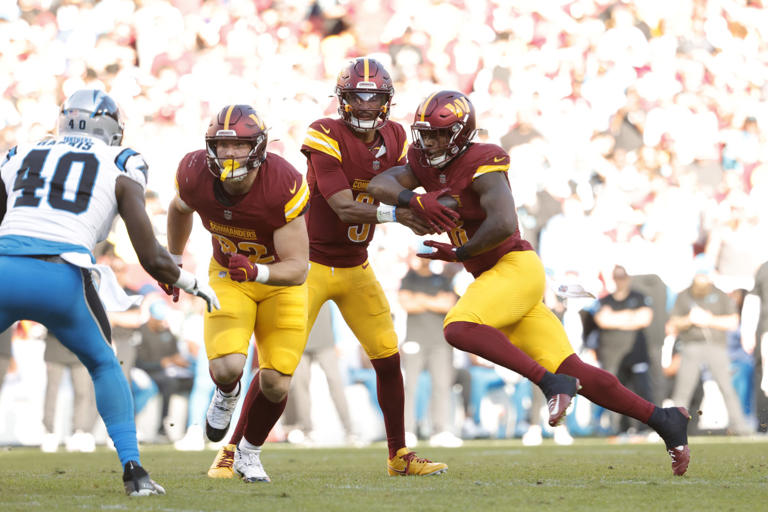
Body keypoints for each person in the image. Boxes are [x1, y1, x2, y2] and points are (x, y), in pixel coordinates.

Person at [367, 89, 692, 476]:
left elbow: (503, 222)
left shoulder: (482, 158)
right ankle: (666, 421)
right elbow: (379, 184)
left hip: (515, 266)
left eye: (438, 135)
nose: (430, 142)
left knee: (457, 328)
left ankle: (550, 383)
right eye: (425, 134)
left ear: (460, 132)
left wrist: (461, 253)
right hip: (496, 277)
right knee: (579, 371)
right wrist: (414, 200)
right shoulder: (423, 160)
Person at [0, 88, 219, 496]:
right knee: (103, 365)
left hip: (5, 270)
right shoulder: (122, 162)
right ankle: (134, 471)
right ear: (113, 129)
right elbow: (152, 257)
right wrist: (190, 283)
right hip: (61, 277)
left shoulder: (19, 153)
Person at [299, 57, 446, 476]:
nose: (365, 106)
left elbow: (424, 180)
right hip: (310, 263)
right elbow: (345, 208)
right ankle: (234, 449)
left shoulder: (398, 136)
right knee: (277, 365)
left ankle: (399, 456)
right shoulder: (324, 131)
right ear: (343, 99)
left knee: (387, 357)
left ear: (386, 100)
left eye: (374, 98)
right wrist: (400, 214)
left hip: (356, 266)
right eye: (357, 97)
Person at [162, 104, 310, 483]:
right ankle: (227, 393)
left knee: (276, 382)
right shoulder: (194, 171)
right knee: (225, 367)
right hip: (229, 276)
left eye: (239, 145)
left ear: (258, 147)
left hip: (278, 282)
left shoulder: (283, 182)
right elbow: (180, 209)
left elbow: (297, 269)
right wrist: (174, 259)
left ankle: (248, 453)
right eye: (222, 145)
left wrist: (258, 270)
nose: (229, 154)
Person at [667, 257, 753, 435]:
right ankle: (673, 428)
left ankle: (740, 427)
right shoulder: (684, 295)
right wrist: (689, 319)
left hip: (716, 346)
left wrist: (709, 319)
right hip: (691, 346)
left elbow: (732, 321)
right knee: (683, 390)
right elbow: (672, 324)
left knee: (727, 388)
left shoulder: (720, 295)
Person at [398, 247, 462, 447]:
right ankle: (406, 431)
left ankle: (440, 430)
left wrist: (420, 300)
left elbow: (449, 303)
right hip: (414, 340)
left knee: (442, 386)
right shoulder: (408, 278)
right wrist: (433, 302)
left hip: (440, 341)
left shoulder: (441, 279)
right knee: (409, 387)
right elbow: (406, 303)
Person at [592, 265, 654, 434]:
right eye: (617, 277)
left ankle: (645, 428)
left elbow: (644, 318)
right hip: (611, 353)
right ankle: (619, 428)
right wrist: (630, 317)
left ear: (628, 278)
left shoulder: (638, 297)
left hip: (636, 352)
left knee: (642, 389)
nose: (620, 280)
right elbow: (602, 320)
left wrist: (614, 318)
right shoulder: (605, 300)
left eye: (623, 277)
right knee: (615, 393)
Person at [134, 299, 194, 442]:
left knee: (193, 382)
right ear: (151, 317)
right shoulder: (140, 332)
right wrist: (161, 363)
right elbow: (138, 361)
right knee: (169, 382)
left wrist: (179, 361)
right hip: (146, 372)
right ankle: (161, 428)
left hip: (169, 372)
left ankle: (190, 429)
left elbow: (175, 354)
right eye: (158, 319)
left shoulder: (167, 332)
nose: (161, 322)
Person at [40, 330, 98, 453]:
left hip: (79, 347)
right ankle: (49, 432)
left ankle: (79, 431)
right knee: (52, 391)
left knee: (82, 392)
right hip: (55, 345)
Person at [741, 260, 768, 433]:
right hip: (767, 330)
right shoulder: (765, 268)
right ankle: (764, 425)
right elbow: (753, 299)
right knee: (765, 381)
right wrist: (748, 331)